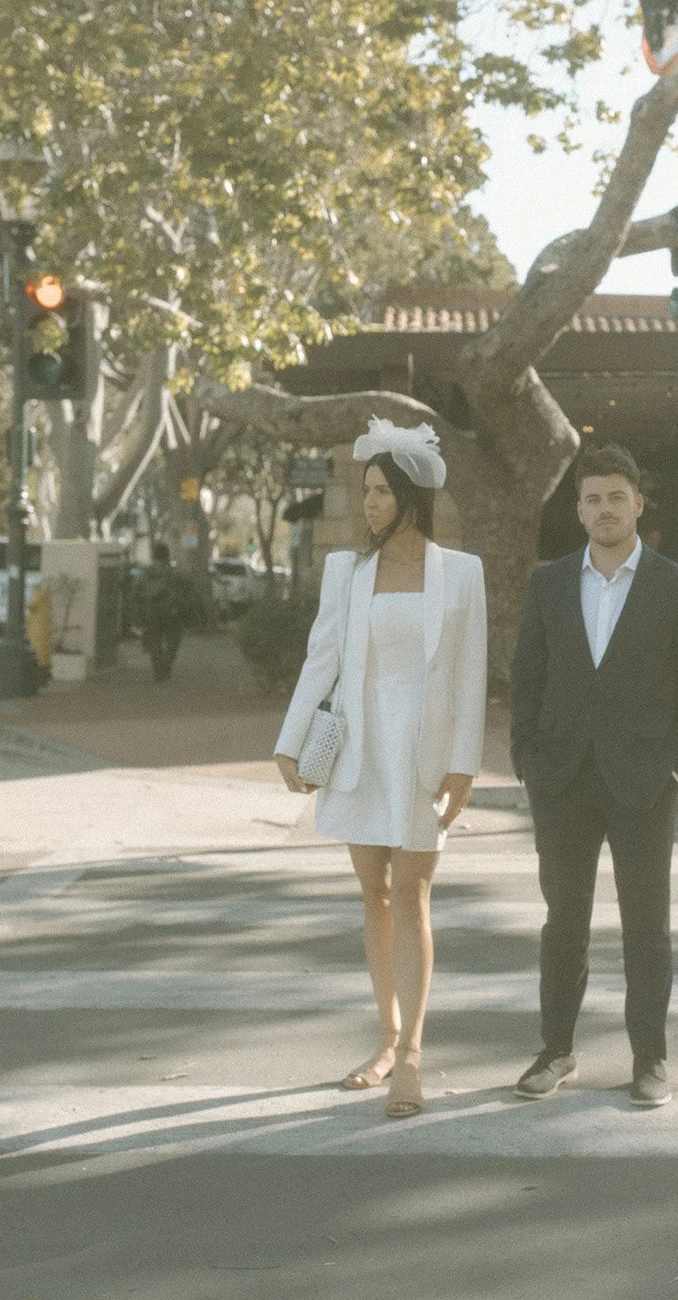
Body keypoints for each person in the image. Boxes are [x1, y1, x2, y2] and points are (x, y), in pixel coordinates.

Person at [274, 418, 487, 1118]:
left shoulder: (460, 573)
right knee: (375, 895)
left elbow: (468, 676)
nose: (368, 504)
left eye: (380, 492)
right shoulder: (347, 572)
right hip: (361, 754)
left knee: (414, 893)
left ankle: (414, 1059)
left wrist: (464, 765)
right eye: (364, 491)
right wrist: (291, 738)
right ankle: (387, 1037)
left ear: (412, 497)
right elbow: (322, 659)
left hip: (422, 758)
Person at [510, 444, 678, 1108]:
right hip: (563, 779)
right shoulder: (548, 584)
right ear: (578, 510)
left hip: (643, 780)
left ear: (638, 503)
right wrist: (526, 759)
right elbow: (525, 680)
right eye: (593, 498)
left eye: (616, 497)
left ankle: (649, 1057)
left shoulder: (675, 585)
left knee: (645, 925)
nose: (605, 509)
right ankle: (555, 1050)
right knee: (563, 922)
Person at [138, 542, 189, 682]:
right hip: (171, 611)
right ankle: (166, 664)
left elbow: (139, 590)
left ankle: (158, 671)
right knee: (173, 641)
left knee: (155, 641)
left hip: (152, 610)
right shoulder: (173, 572)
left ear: (154, 555)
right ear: (167, 555)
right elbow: (184, 589)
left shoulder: (147, 572)